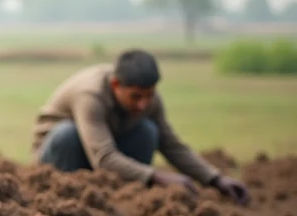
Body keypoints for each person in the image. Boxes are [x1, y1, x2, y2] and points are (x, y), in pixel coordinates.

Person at [31, 49, 250, 205]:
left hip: (102, 154)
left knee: (148, 131)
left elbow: (171, 145)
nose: (143, 104)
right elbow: (104, 158)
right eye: (135, 97)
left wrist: (215, 179)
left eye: (149, 96)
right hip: (58, 157)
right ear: (116, 85)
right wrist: (156, 176)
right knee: (67, 134)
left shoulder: (148, 99)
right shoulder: (90, 95)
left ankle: (127, 201)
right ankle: (64, 201)